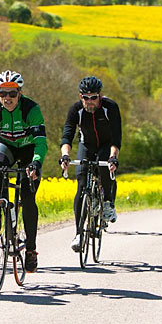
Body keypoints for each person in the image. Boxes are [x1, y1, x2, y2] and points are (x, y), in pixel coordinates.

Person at [0, 70, 47, 273]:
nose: (7, 98)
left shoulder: (31, 109)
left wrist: (36, 163)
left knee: (28, 197)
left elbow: (40, 142)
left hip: (29, 150)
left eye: (12, 93)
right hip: (7, 147)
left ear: (19, 93)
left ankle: (31, 249)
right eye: (3, 93)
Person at [59, 76, 121, 253]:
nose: (89, 101)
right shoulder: (76, 110)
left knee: (104, 168)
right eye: (85, 97)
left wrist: (113, 157)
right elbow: (67, 135)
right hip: (86, 145)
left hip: (106, 146)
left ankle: (108, 202)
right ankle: (79, 234)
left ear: (100, 96)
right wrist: (65, 156)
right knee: (81, 183)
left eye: (93, 97)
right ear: (80, 97)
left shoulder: (111, 107)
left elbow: (117, 137)